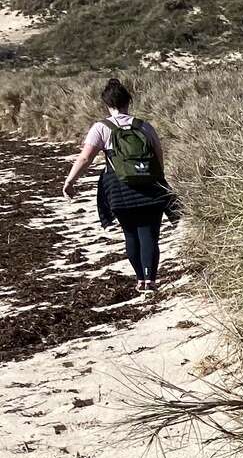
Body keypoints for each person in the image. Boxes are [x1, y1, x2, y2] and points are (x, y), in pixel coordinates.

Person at [59, 79, 176, 296]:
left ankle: (140, 280)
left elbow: (85, 158)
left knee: (130, 234)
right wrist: (157, 181)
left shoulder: (101, 128)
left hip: (118, 189)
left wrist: (70, 181)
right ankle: (150, 280)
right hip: (149, 187)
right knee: (149, 235)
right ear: (128, 101)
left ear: (106, 104)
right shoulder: (144, 126)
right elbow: (159, 157)